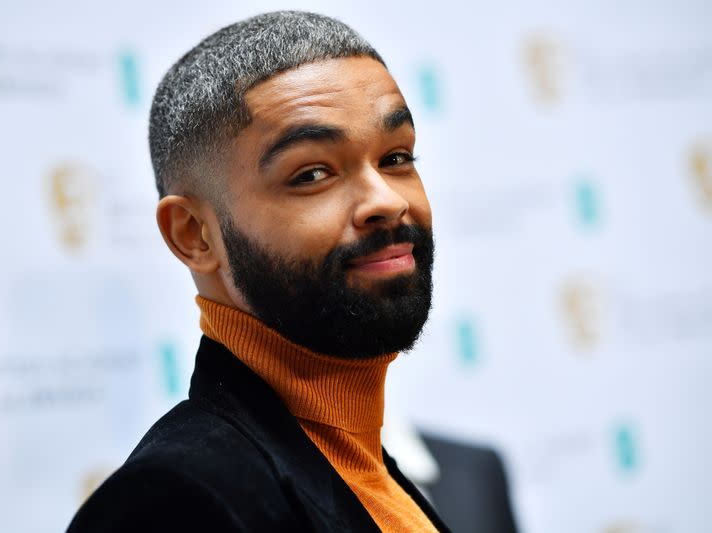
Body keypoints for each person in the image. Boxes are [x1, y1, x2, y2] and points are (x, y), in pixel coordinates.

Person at [67, 10, 450, 532]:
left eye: (397, 157)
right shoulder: (176, 501)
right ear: (193, 234)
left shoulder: (365, 464)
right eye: (312, 173)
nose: (385, 201)